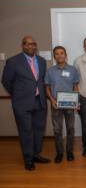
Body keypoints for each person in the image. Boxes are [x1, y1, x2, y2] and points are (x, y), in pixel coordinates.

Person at [1, 36, 50, 171]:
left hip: (39, 101)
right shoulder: (13, 61)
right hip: (22, 103)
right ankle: (28, 159)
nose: (30, 46)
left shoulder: (41, 61)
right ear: (22, 45)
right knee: (26, 131)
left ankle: (36, 154)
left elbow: (40, 80)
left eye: (33, 44)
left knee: (39, 130)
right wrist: (18, 95)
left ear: (36, 46)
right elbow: (6, 81)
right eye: (27, 44)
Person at [45, 46, 80, 163]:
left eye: (62, 53)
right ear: (54, 56)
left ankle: (69, 152)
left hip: (70, 104)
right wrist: (51, 99)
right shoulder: (50, 71)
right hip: (56, 104)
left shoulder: (73, 70)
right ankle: (59, 152)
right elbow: (47, 87)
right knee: (57, 130)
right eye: (57, 54)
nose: (59, 55)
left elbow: (75, 86)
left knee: (70, 128)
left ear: (66, 55)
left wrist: (76, 101)